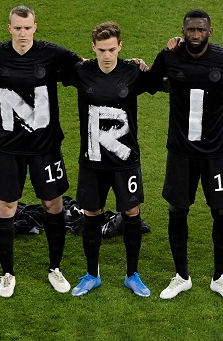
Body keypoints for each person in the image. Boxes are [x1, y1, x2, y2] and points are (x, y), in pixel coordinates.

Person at [0, 5, 82, 298]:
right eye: (17, 28)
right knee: (5, 208)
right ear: (9, 28)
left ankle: (55, 268)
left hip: (45, 148)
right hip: (9, 148)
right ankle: (7, 274)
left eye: (27, 27)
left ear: (35, 27)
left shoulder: (53, 53)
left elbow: (86, 67)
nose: (22, 33)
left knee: (53, 205)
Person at [150, 9, 223, 300]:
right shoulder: (169, 57)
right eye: (190, 30)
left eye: (201, 30)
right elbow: (150, 83)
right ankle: (181, 276)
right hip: (181, 152)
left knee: (222, 210)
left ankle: (220, 277)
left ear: (210, 32)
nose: (196, 35)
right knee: (177, 209)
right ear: (183, 30)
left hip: (217, 153)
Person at [64, 22, 158, 297]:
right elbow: (51, 69)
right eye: (102, 50)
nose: (107, 56)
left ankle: (132, 275)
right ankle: (92, 275)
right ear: (93, 48)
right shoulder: (82, 71)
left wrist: (147, 65)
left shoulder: (132, 72)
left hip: (125, 161)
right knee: (91, 215)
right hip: (92, 162)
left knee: (131, 213)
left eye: (112, 49)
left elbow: (161, 82)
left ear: (121, 47)